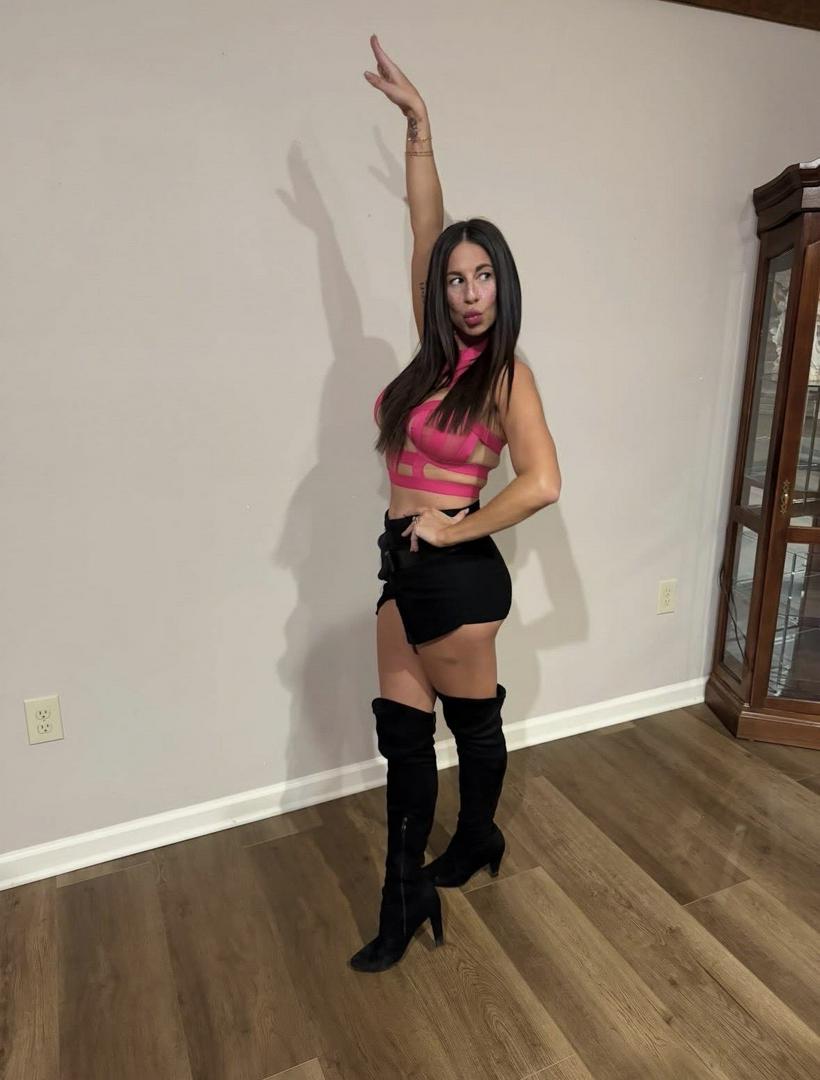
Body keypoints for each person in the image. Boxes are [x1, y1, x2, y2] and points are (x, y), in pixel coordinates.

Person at [349, 34, 561, 974]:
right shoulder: (433, 357)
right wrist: (420, 129)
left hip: (455, 574)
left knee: (470, 727)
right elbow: (424, 224)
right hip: (400, 564)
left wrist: (456, 524)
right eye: (456, 278)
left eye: (484, 277)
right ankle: (406, 898)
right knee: (405, 740)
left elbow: (542, 481)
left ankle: (475, 838)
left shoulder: (506, 376)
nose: (469, 291)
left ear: (503, 286)